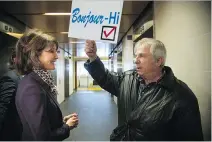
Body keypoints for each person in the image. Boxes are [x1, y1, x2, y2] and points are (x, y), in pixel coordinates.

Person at [84, 38, 203, 141]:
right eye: (136, 55)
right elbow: (106, 78)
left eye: (141, 56)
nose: (136, 60)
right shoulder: (127, 79)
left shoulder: (181, 96)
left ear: (158, 61)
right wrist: (93, 57)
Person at [15, 29, 79, 141]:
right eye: (51, 51)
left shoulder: (39, 81)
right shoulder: (32, 88)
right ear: (34, 55)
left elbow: (41, 123)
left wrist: (61, 122)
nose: (56, 56)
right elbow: (43, 138)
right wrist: (67, 127)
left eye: (56, 51)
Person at [0, 47, 22, 140]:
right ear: (15, 59)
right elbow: (2, 108)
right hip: (13, 134)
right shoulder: (10, 78)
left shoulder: (24, 77)